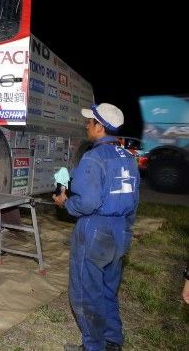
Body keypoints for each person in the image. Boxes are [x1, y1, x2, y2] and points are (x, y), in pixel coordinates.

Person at [52, 103, 140, 351]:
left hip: (95, 229)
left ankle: (94, 347)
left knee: (85, 292)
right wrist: (125, 229)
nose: (86, 125)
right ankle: (113, 341)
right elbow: (134, 200)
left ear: (99, 127)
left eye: (90, 122)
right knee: (108, 290)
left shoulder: (94, 157)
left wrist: (65, 202)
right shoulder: (129, 157)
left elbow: (88, 202)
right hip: (121, 229)